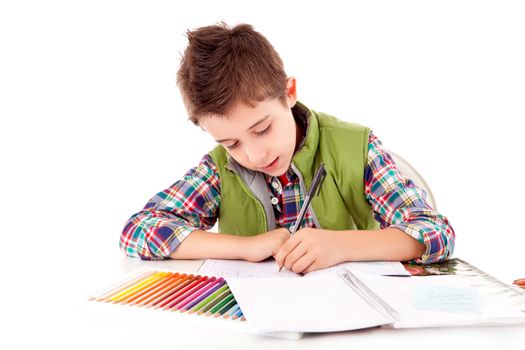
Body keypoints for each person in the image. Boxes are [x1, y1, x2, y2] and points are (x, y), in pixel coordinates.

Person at [120, 22, 455, 273]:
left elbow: (436, 232)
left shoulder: (357, 148)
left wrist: (341, 245)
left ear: (289, 92)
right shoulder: (219, 169)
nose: (255, 155)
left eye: (262, 129)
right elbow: (139, 230)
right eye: (231, 142)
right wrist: (246, 247)